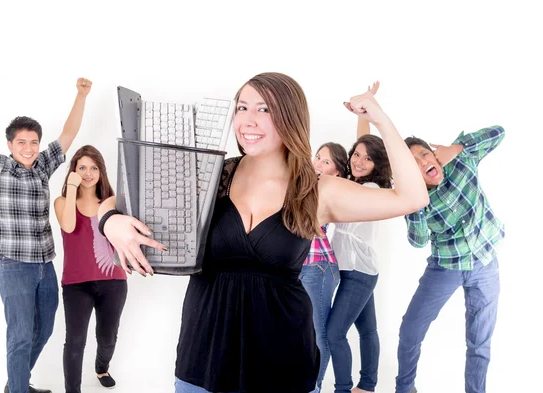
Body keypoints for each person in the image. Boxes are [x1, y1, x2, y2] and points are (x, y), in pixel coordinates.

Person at [98, 72, 429, 392]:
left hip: (284, 364)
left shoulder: (317, 190)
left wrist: (381, 119)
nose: (248, 120)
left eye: (264, 109)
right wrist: (110, 221)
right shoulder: (209, 175)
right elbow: (121, 198)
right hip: (203, 359)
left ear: (290, 117)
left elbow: (412, 197)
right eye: (242, 107)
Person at [0, 60, 92, 393]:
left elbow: (68, 135)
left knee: (43, 331)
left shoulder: (42, 166)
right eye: (21, 143)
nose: (29, 148)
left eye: (33, 142)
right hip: (14, 266)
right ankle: (17, 389)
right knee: (20, 335)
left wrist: (81, 95)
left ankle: (16, 385)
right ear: (10, 145)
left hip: (44, 265)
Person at [395, 125, 505, 393]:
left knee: (479, 342)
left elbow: (498, 133)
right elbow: (418, 241)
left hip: (485, 262)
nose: (424, 163)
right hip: (446, 267)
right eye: (414, 164)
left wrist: (456, 149)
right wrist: (414, 199)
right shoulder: (417, 197)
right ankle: (405, 388)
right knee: (410, 331)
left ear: (435, 154)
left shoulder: (460, 162)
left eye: (424, 155)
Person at [327, 82, 392, 393]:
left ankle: (345, 388)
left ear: (378, 165)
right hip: (360, 271)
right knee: (367, 331)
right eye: (356, 155)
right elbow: (360, 144)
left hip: (358, 274)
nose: (358, 161)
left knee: (333, 333)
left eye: (367, 159)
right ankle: (367, 386)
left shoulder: (370, 190)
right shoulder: (356, 183)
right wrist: (362, 112)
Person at [54, 145, 128, 393]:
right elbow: (68, 226)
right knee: (75, 341)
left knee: (107, 337)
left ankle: (101, 368)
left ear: (101, 171)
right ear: (73, 170)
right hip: (76, 284)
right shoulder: (63, 202)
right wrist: (72, 187)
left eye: (94, 167)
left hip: (113, 281)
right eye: (82, 167)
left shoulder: (113, 203)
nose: (88, 173)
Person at [299, 141, 348, 391]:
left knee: (318, 333)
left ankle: (314, 387)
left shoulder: (326, 189)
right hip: (301, 267)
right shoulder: (306, 184)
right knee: (300, 331)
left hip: (318, 266)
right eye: (317, 157)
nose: (317, 163)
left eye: (325, 161)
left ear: (337, 172)